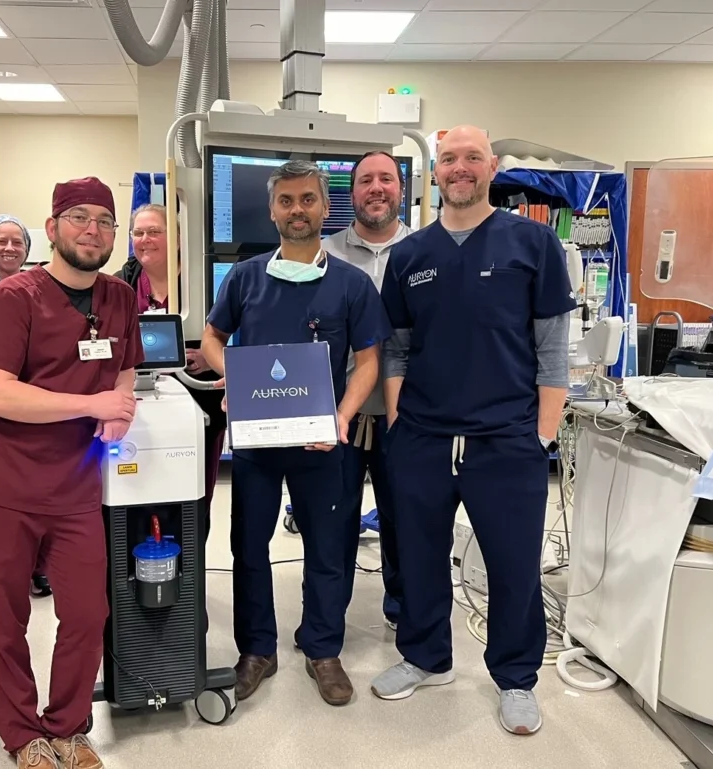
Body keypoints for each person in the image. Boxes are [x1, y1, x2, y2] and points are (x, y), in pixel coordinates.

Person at [371, 125, 574, 736]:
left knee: (513, 565)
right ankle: (426, 657)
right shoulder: (411, 255)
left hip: (506, 439)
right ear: (435, 172)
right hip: (424, 438)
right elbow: (397, 350)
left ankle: (516, 678)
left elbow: (553, 352)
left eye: (472, 158)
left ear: (493, 167)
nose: (460, 168)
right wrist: (401, 419)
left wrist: (540, 434)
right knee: (419, 557)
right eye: (449, 159)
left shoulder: (533, 243)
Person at [0, 177, 142, 769]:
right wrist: (92, 406)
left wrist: (121, 405)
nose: (94, 230)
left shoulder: (118, 297)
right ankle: (22, 735)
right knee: (4, 616)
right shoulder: (12, 298)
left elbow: (124, 368)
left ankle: (67, 727)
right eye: (80, 218)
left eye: (105, 222)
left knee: (89, 611)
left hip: (75, 487)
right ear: (54, 225)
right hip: (1, 487)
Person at [202, 160, 392, 707]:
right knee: (249, 547)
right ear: (272, 210)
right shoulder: (245, 277)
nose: (297, 210)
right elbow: (213, 339)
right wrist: (231, 375)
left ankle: (322, 648)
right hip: (259, 446)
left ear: (323, 206)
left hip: (322, 441)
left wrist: (343, 414)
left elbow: (368, 362)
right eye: (286, 201)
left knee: (329, 547)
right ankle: (256, 649)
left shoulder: (352, 285)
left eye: (307, 199)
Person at [322, 151, 409, 633]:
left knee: (405, 521)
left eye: (387, 180)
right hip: (340, 412)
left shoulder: (424, 252)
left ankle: (404, 613)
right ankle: (327, 620)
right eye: (365, 180)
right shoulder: (324, 254)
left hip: (407, 414)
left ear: (401, 189)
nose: (377, 188)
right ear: (351, 192)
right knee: (334, 524)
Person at [114, 203, 226, 532]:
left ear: (177, 238)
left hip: (200, 408)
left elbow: (235, 331)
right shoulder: (122, 285)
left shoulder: (202, 281)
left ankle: (190, 567)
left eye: (155, 232)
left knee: (191, 495)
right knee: (141, 492)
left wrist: (211, 356)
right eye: (138, 233)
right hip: (140, 409)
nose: (145, 240)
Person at [0, 214, 52, 600]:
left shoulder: (43, 288)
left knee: (40, 497)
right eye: (0, 240)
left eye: (17, 241)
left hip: (40, 408)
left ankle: (40, 568)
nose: (8, 248)